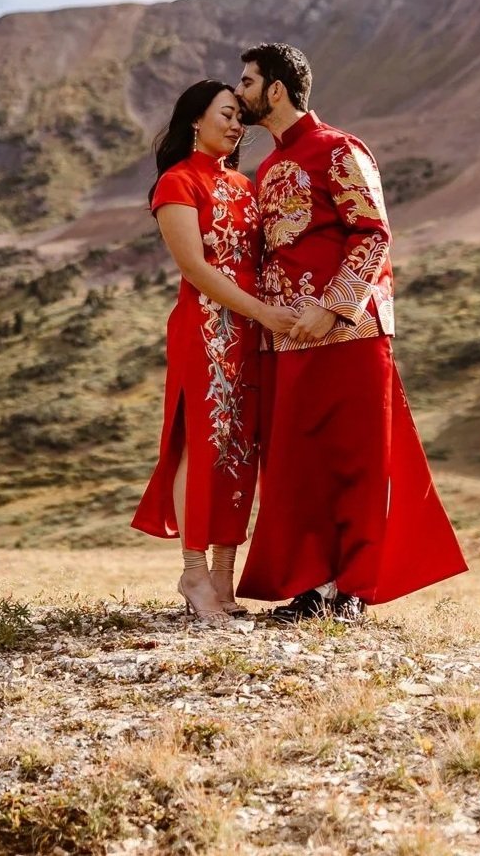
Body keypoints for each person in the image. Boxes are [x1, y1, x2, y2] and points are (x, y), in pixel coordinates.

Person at [234, 42, 467, 622]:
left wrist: (334, 308)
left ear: (277, 90)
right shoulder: (264, 168)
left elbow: (373, 234)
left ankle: (352, 590)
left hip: (351, 332)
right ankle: (313, 585)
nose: (239, 93)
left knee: (354, 461)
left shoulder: (340, 150)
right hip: (287, 338)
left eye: (247, 82)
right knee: (298, 465)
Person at [131, 80, 299, 622]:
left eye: (238, 118)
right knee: (200, 445)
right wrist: (262, 313)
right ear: (194, 121)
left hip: (249, 335)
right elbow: (196, 270)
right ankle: (193, 572)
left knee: (241, 449)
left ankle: (225, 579)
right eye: (225, 115)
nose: (234, 126)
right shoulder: (177, 183)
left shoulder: (243, 186)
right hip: (204, 332)